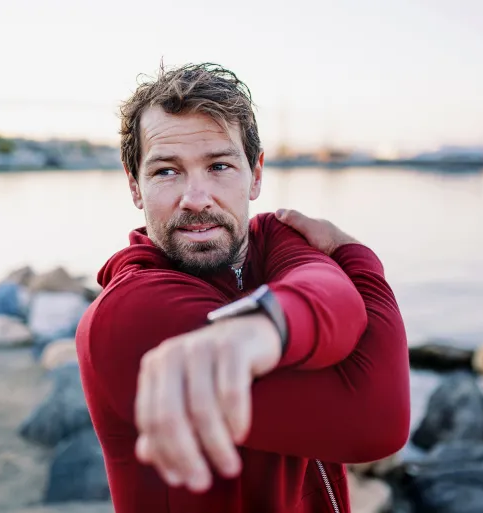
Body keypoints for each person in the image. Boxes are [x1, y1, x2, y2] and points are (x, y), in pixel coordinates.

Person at [76, 63, 410, 513]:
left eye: (219, 165)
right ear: (135, 185)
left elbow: (330, 290)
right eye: (166, 172)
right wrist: (358, 259)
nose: (196, 198)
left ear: (255, 175)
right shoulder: (131, 313)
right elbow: (376, 423)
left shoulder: (272, 239)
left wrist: (265, 326)